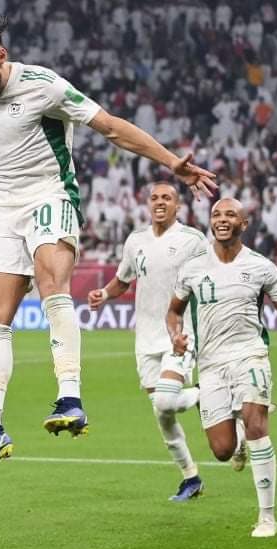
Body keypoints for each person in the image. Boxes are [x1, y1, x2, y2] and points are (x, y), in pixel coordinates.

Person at [0, 16, 217, 477]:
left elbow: (110, 127)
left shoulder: (42, 85)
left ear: (1, 55)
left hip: (50, 195)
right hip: (2, 210)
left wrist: (171, 163)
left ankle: (70, 397)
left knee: (51, 281)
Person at [166, 198, 277, 538]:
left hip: (251, 356)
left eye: (230, 215)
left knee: (257, 427)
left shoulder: (261, 267)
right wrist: (176, 335)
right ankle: (235, 437)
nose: (222, 220)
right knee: (222, 450)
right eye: (216, 214)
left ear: (244, 224)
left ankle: (267, 517)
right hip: (210, 363)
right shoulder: (193, 267)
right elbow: (174, 311)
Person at [88, 182, 207, 502]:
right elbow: (123, 280)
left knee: (166, 401)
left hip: (180, 334)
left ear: (178, 206)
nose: (159, 202)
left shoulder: (193, 240)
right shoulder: (135, 240)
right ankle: (191, 477)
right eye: (154, 197)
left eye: (167, 198)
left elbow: (212, 280)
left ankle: (206, 392)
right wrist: (104, 294)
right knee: (162, 413)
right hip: (145, 338)